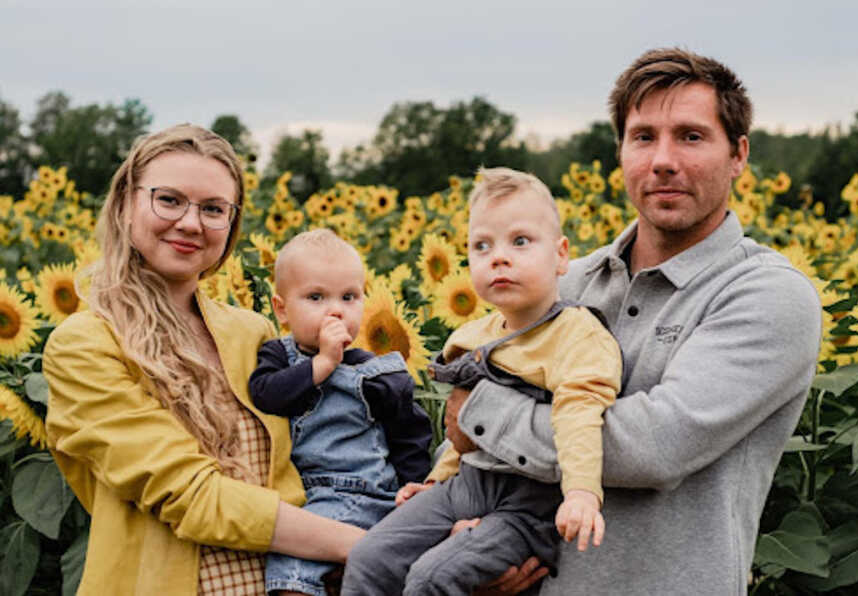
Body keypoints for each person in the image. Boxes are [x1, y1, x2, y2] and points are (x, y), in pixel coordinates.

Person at [444, 48, 822, 595]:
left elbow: (654, 446)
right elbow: (463, 435)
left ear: (738, 155)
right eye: (644, 137)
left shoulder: (767, 295)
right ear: (621, 151)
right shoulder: (566, 281)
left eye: (691, 136)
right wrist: (467, 534)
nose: (663, 159)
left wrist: (479, 413)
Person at [42, 124, 369, 595]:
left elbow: (324, 451)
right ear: (124, 206)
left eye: (213, 209)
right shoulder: (85, 346)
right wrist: (371, 546)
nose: (192, 223)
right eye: (169, 200)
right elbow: (192, 497)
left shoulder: (251, 331)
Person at [342, 167, 622, 596]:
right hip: (464, 486)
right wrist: (437, 479)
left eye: (520, 242)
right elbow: (461, 435)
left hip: (528, 505)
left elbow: (579, 417)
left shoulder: (578, 335)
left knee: (432, 579)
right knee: (368, 559)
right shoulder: (471, 336)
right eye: (482, 246)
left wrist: (582, 493)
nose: (499, 257)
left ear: (562, 255)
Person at [248, 228, 433, 595]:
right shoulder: (277, 356)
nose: (336, 310)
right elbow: (266, 394)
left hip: (360, 492)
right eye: (316, 297)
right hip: (305, 496)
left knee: (292, 568)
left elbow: (409, 433)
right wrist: (320, 365)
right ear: (281, 309)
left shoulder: (377, 373)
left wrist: (416, 487)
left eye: (349, 297)